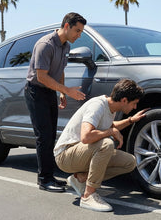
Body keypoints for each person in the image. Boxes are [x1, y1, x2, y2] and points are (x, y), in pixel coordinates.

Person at [54, 79, 147, 212]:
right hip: (65, 155)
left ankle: (81, 178)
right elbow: (86, 137)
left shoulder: (111, 108)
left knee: (130, 162)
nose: (135, 107)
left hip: (81, 154)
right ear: (124, 100)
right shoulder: (97, 105)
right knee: (106, 144)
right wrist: (110, 132)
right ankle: (88, 196)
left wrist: (131, 120)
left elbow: (110, 126)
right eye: (134, 103)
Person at [25, 12, 87, 193]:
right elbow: (41, 76)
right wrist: (67, 91)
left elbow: (60, 70)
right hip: (36, 91)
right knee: (43, 136)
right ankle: (44, 180)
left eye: (81, 32)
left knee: (51, 135)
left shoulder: (65, 46)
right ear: (66, 26)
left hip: (50, 91)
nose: (79, 35)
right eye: (77, 30)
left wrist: (61, 92)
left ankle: (50, 176)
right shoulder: (45, 45)